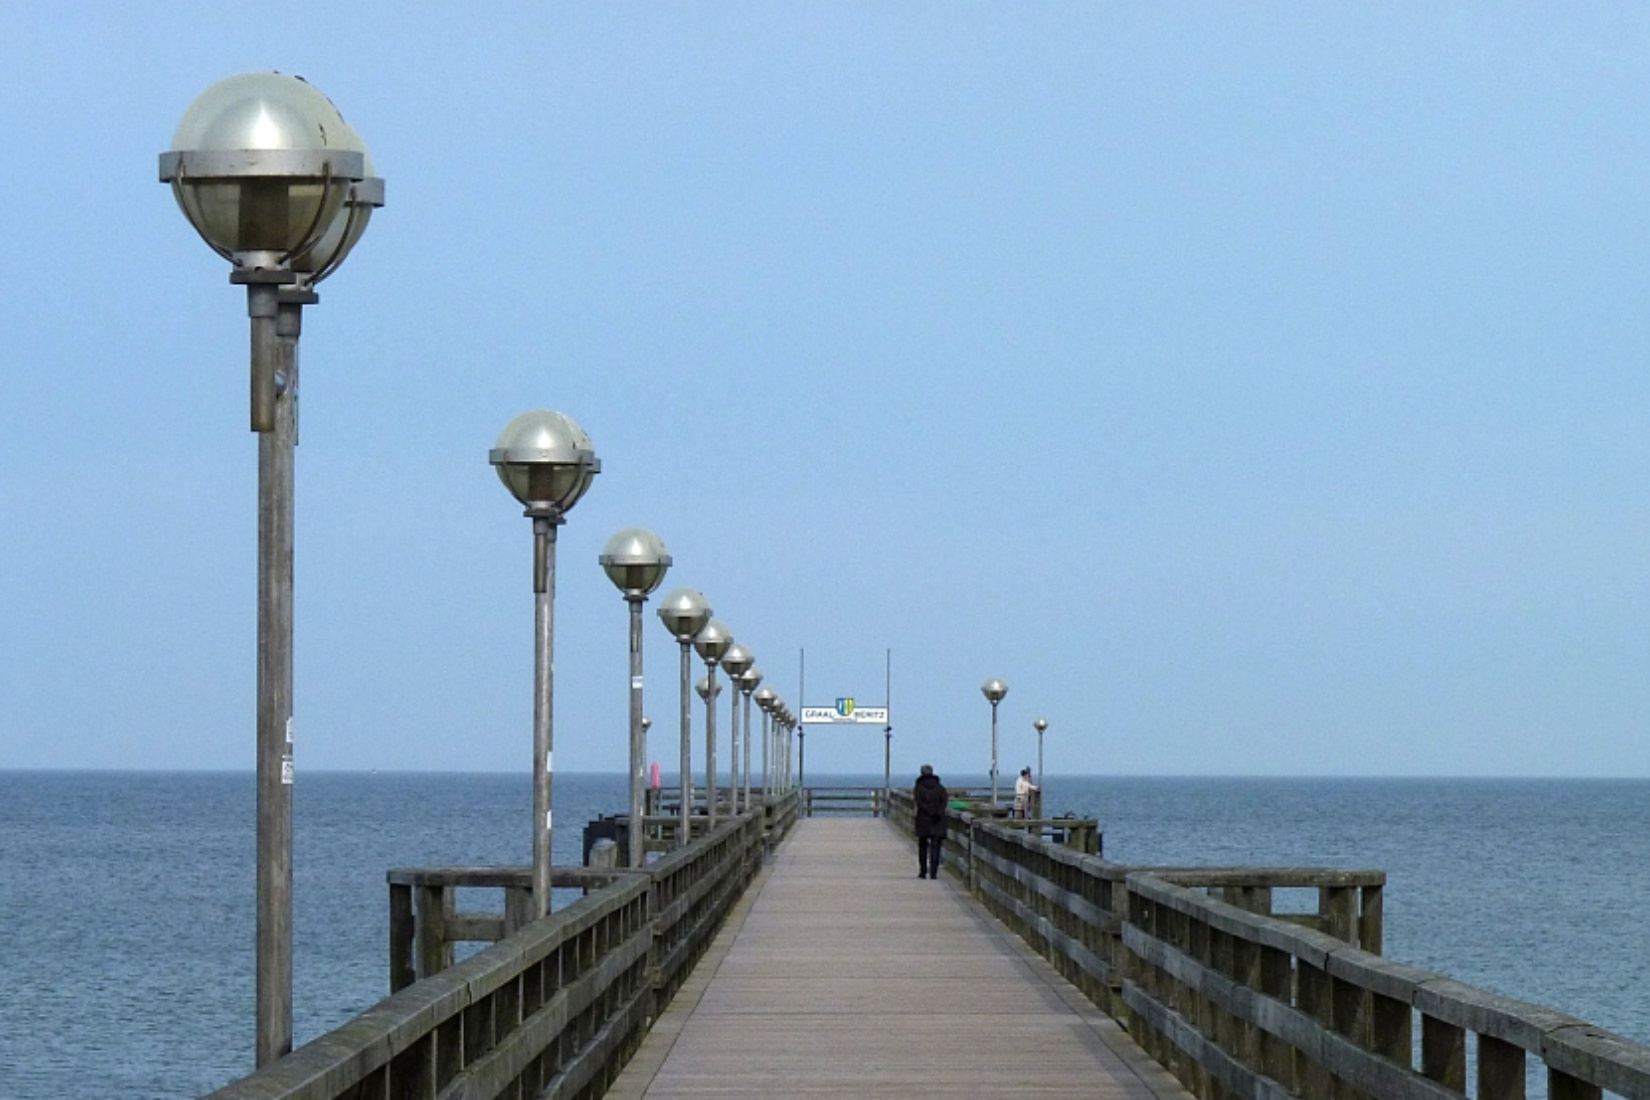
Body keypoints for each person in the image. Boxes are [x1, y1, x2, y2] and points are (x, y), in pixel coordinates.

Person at [913, 764, 948, 879]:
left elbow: (919, 802)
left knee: (923, 846)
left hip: (923, 819)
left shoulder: (918, 787)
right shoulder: (940, 788)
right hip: (937, 820)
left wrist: (927, 811)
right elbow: (944, 802)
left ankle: (923, 871)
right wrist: (937, 812)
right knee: (936, 846)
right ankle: (934, 872)